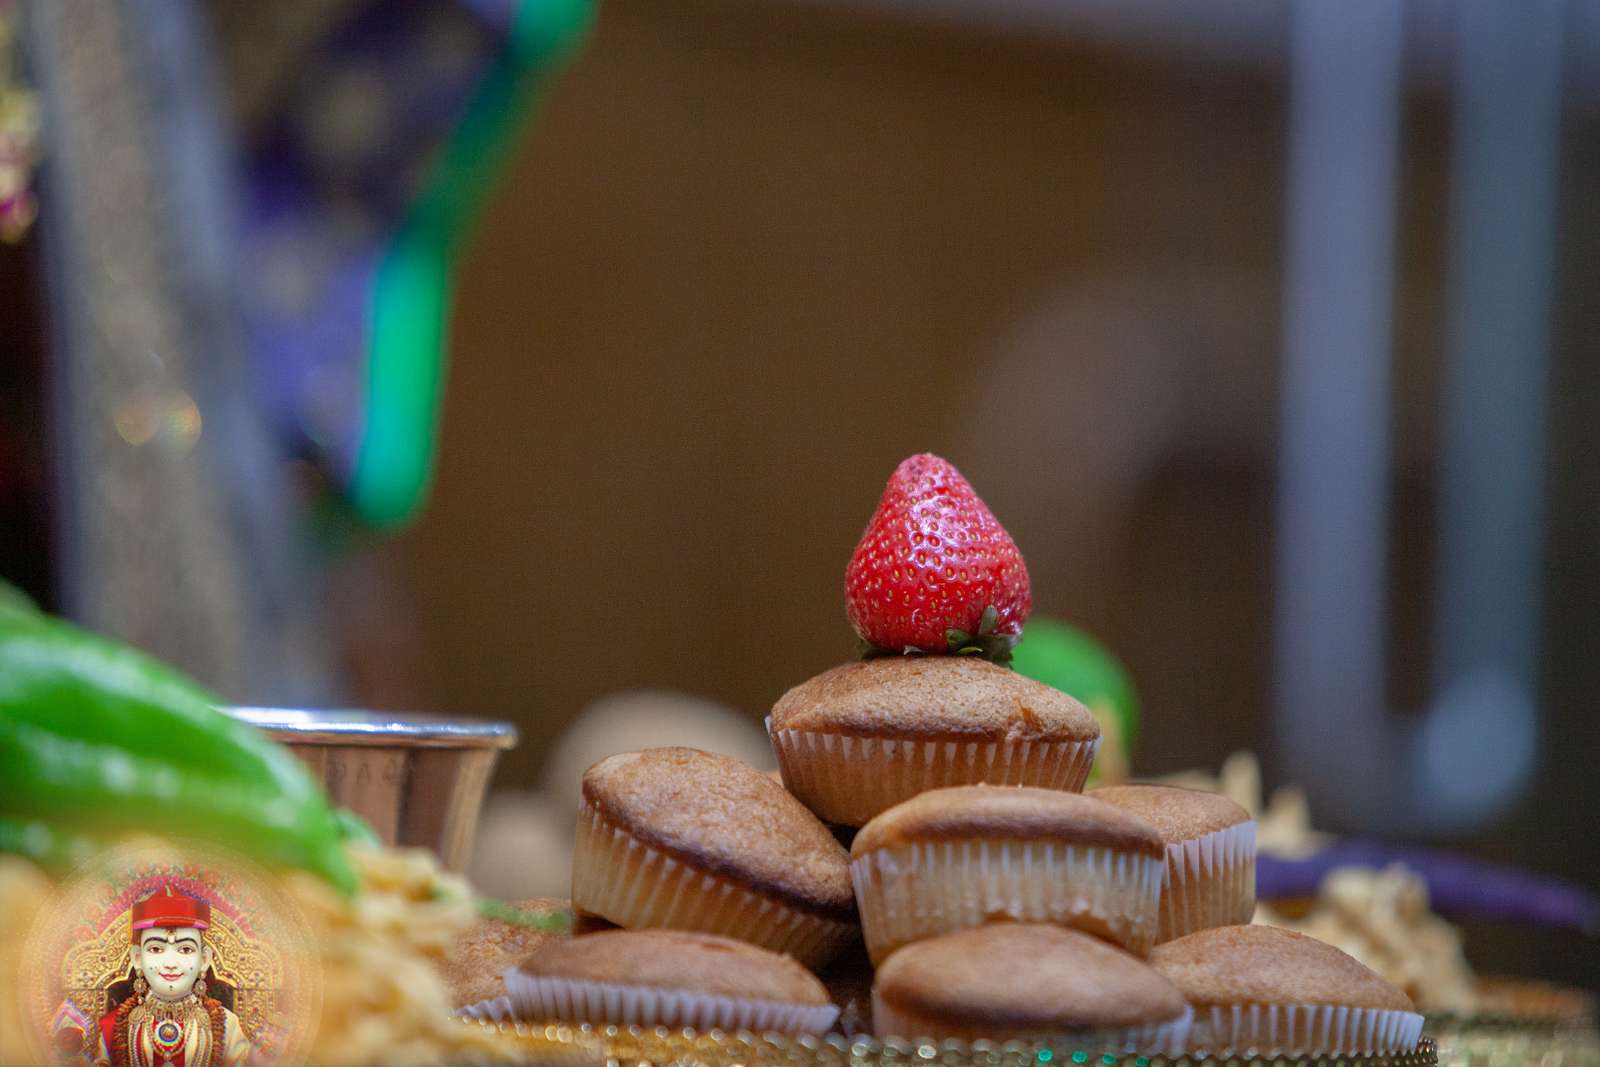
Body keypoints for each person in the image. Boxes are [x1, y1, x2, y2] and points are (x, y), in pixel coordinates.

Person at [87, 885, 252, 1067]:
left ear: (204, 959)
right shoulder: (112, 1028)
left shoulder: (228, 1026)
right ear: (137, 958)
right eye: (156, 949)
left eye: (185, 949)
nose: (171, 963)